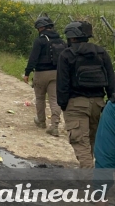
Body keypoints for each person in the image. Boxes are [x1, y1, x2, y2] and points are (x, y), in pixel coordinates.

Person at [57, 21, 115, 168]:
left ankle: (90, 180)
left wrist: (63, 105)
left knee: (80, 143)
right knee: (93, 141)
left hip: (76, 104)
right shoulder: (101, 52)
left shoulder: (67, 55)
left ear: (71, 37)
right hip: (98, 104)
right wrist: (110, 100)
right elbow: (111, 79)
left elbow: (62, 83)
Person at [23, 17, 66, 136]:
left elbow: (33, 58)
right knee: (54, 99)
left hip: (41, 73)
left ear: (41, 28)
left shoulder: (40, 40)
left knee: (40, 98)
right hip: (57, 73)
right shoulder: (61, 41)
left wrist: (27, 73)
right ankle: (55, 126)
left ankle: (41, 121)